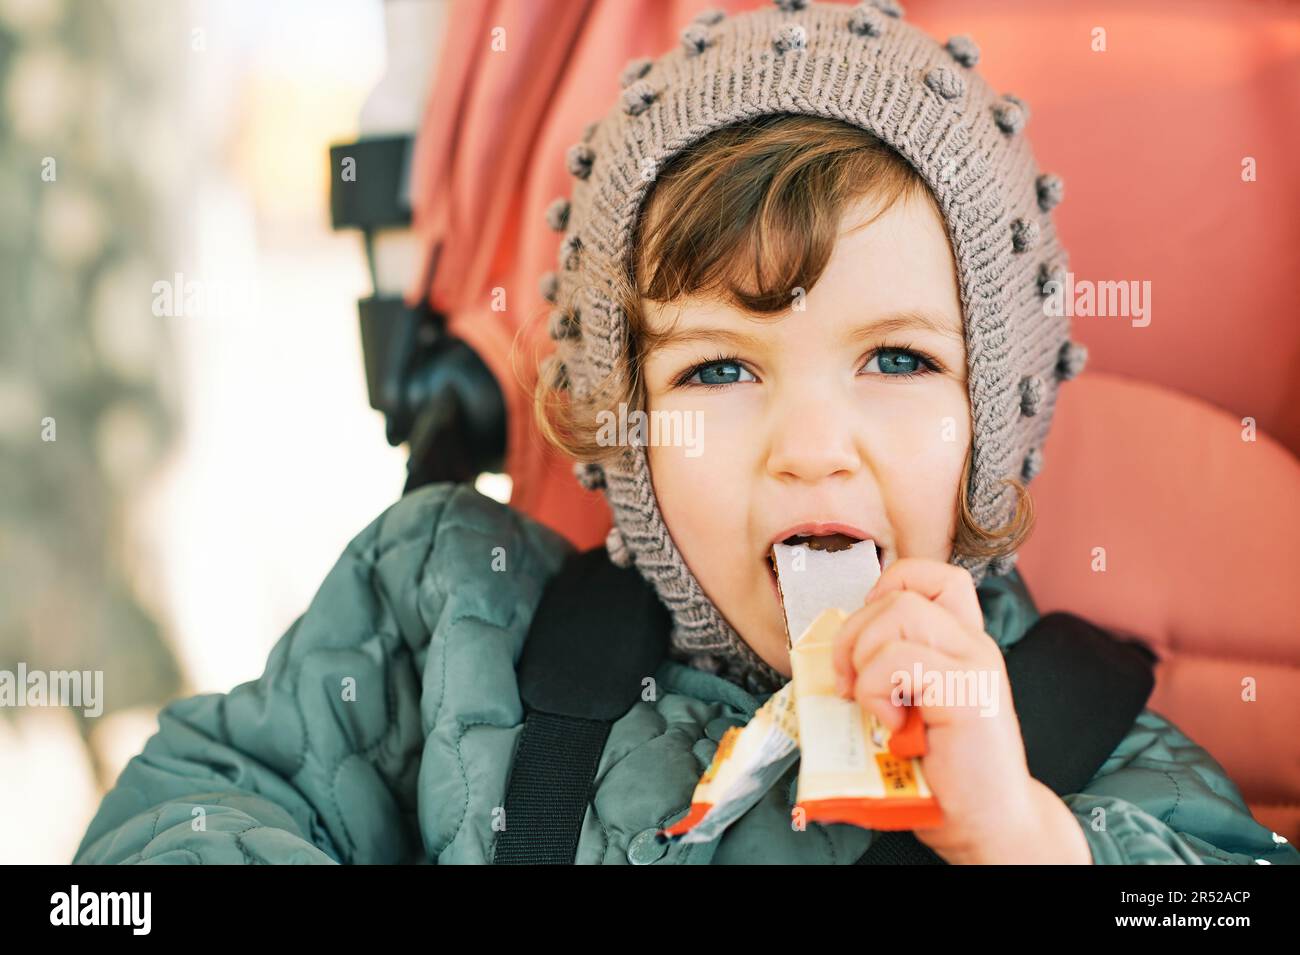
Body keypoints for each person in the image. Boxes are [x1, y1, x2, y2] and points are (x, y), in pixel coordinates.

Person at [74, 0, 1297, 865]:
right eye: (720, 367)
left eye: (894, 360)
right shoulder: (450, 612)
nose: (809, 444)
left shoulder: (1091, 746)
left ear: (994, 417)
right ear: (628, 423)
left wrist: (1026, 843)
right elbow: (186, 806)